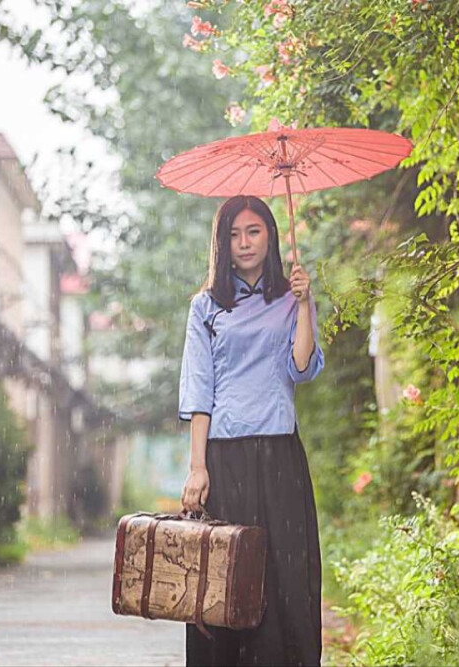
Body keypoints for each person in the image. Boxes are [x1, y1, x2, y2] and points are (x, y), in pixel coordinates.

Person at [178, 194, 324, 667]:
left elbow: (301, 368)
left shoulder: (290, 298)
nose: (244, 243)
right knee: (226, 576)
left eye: (254, 231)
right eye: (234, 234)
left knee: (286, 573)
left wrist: (305, 305)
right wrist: (198, 468)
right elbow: (199, 390)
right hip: (225, 457)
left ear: (270, 236)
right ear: (222, 243)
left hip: (281, 455)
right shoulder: (206, 307)